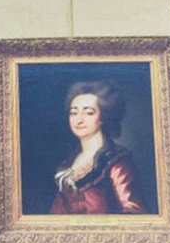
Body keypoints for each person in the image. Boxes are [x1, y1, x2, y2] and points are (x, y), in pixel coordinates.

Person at [51, 81, 145, 215]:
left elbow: (134, 211)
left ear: (103, 117)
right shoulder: (68, 163)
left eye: (89, 113)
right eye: (73, 113)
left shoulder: (116, 160)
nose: (79, 120)